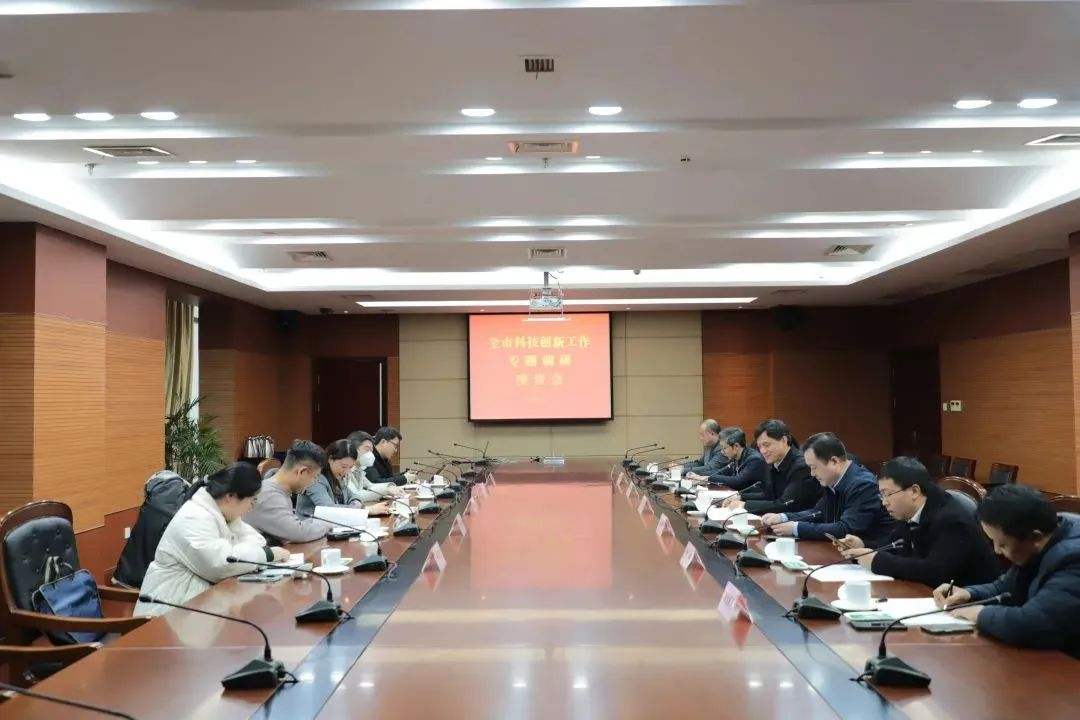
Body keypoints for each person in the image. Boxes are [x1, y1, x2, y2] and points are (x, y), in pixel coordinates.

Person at [933, 485, 1080, 657]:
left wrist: (980, 614)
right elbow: (1006, 588)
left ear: (1035, 538)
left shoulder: (1074, 559)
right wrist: (970, 594)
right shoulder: (1046, 534)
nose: (996, 551)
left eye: (1002, 544)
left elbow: (1034, 624)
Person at [134, 463, 289, 616]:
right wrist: (267, 555)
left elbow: (257, 541)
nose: (250, 508)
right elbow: (222, 564)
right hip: (168, 611)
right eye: (252, 501)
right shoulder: (194, 517)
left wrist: (255, 551)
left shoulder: (223, 515)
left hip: (196, 606)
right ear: (230, 496)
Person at [837, 456, 998, 588]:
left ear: (914, 491)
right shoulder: (910, 512)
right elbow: (894, 546)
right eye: (881, 495)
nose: (884, 502)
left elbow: (935, 571)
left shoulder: (952, 520)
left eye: (887, 494)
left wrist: (878, 561)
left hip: (966, 601)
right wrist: (863, 546)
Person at [762, 433, 893, 544]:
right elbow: (818, 512)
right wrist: (783, 517)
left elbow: (847, 529)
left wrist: (796, 528)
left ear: (834, 461)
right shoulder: (833, 480)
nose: (812, 474)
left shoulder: (863, 485)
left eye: (814, 467)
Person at [244, 439, 332, 544]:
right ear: (302, 472)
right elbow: (296, 533)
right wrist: (325, 526)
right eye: (315, 477)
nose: (314, 482)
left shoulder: (279, 491)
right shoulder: (269, 495)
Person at [725, 419, 819, 515]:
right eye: (760, 446)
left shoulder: (801, 466)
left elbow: (786, 504)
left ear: (784, 440)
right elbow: (769, 495)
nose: (763, 451)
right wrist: (740, 496)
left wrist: (745, 505)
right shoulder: (773, 462)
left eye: (767, 445)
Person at [345, 430, 406, 504]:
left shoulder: (359, 469)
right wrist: (386, 490)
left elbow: (371, 486)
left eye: (371, 451)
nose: (370, 454)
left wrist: (390, 487)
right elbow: (356, 495)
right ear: (352, 449)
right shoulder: (345, 469)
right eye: (367, 449)